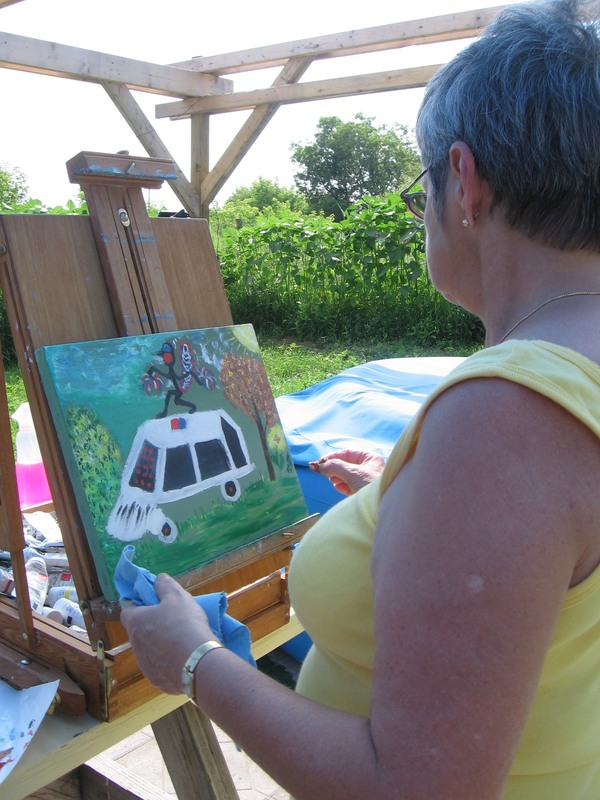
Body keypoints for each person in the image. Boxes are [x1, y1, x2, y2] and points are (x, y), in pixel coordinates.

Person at [121, 1, 600, 796]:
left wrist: (196, 662)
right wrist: (408, 502)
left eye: (421, 192)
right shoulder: (543, 403)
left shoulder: (505, 419)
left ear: (465, 181)